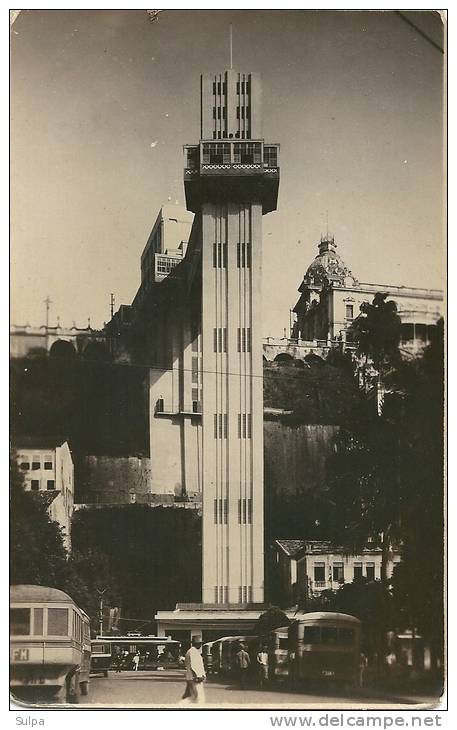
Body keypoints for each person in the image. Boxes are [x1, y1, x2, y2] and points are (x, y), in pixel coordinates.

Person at [179, 638, 206, 705]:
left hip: (190, 677)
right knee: (199, 697)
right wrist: (198, 676)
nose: (201, 645)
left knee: (193, 696)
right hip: (195, 677)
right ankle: (181, 705)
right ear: (197, 644)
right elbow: (193, 665)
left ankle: (181, 704)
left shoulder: (190, 651)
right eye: (200, 643)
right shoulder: (193, 652)